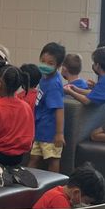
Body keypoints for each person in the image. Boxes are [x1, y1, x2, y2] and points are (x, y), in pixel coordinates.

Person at [28, 43, 66, 172]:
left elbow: (59, 109)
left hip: (50, 131)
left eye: (50, 63)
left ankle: (54, 186)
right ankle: (27, 184)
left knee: (53, 159)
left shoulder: (54, 84)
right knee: (33, 158)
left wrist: (59, 134)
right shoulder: (43, 78)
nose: (45, 65)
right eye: (43, 61)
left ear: (58, 66)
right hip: (40, 128)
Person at [32, 163, 105, 209]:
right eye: (86, 202)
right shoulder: (59, 199)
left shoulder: (61, 192)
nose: (87, 205)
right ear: (76, 193)